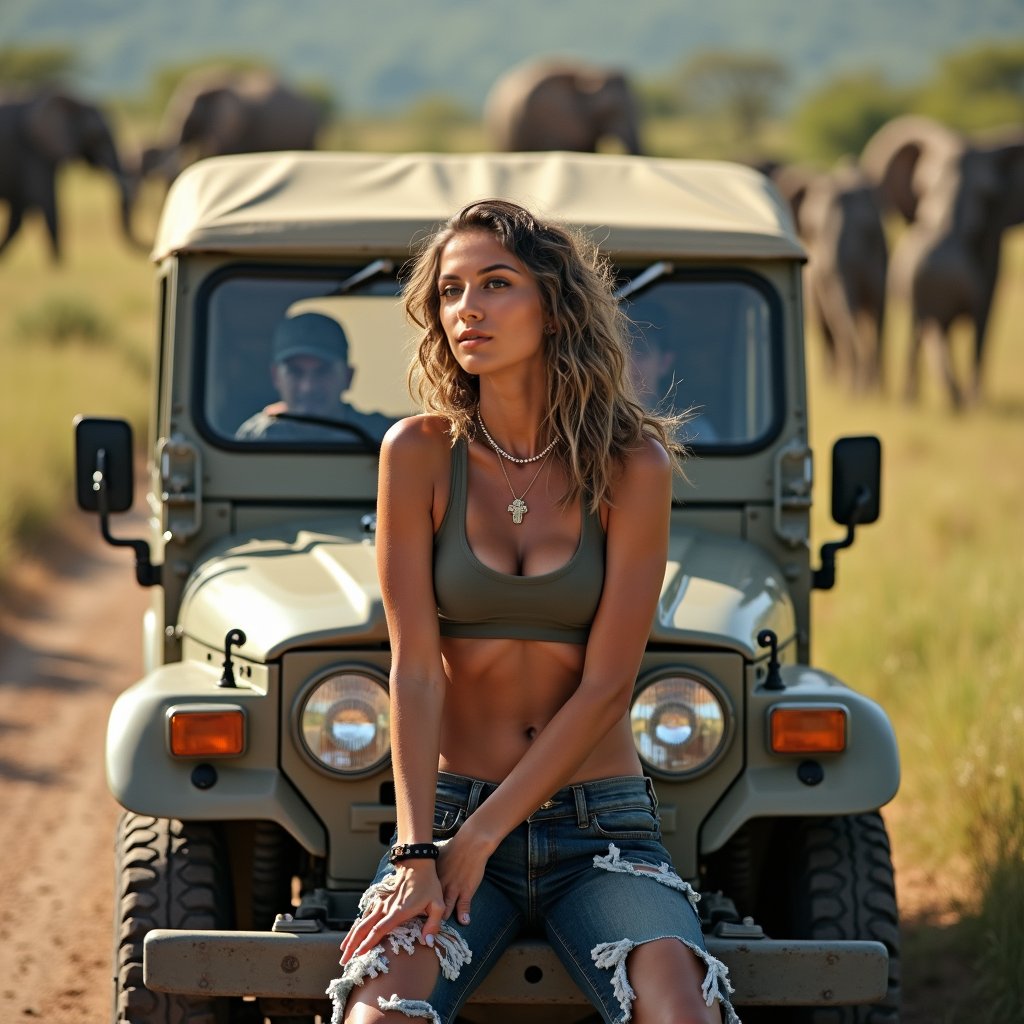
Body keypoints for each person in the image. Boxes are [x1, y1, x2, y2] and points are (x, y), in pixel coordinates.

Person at [329, 200, 739, 1024]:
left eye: (496, 283)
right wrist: (420, 850)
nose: (467, 309)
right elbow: (412, 667)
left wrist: (483, 838)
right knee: (376, 1016)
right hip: (441, 816)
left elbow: (607, 686)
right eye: (449, 292)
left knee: (679, 1009)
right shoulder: (417, 452)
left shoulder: (633, 464)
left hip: (601, 829)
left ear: (553, 306)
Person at [235, 311, 392, 443]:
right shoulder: (254, 438)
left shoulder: (382, 438)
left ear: (348, 377)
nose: (308, 387)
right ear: (276, 376)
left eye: (322, 372)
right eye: (295, 372)